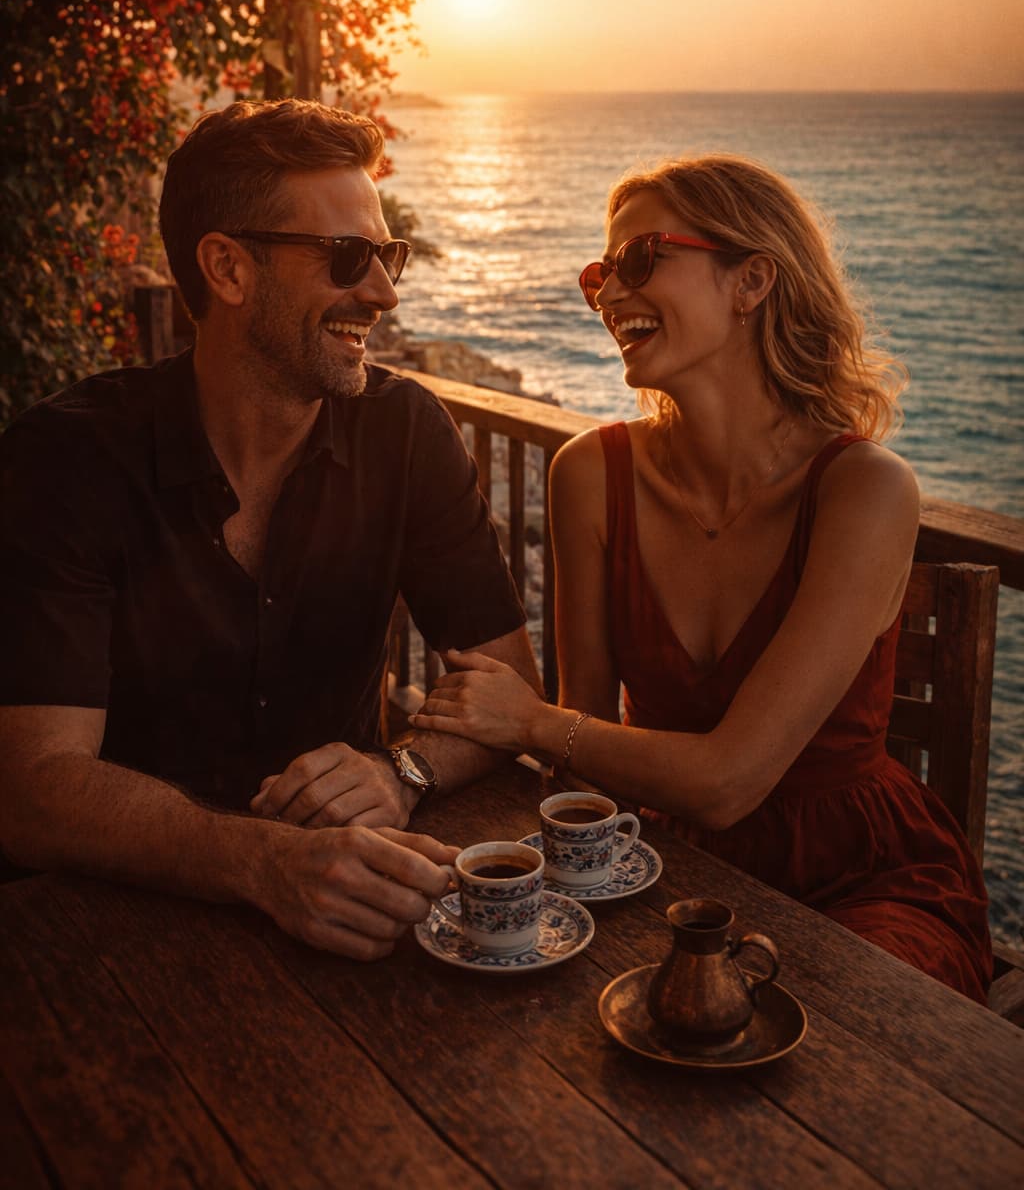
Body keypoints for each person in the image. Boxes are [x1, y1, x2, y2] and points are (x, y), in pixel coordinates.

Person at [413, 153, 993, 1001]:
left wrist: (529, 722)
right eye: (600, 274)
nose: (609, 296)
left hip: (862, 886)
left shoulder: (864, 490)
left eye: (640, 261)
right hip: (661, 863)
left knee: (816, 1037)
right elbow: (588, 753)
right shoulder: (590, 475)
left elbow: (726, 781)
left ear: (751, 280)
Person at [0, 99, 539, 961]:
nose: (385, 291)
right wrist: (262, 862)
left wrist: (403, 773)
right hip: (104, 933)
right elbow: (32, 788)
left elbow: (509, 688)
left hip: (346, 916)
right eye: (348, 257)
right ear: (227, 267)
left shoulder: (407, 433)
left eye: (387, 254)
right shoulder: (68, 459)